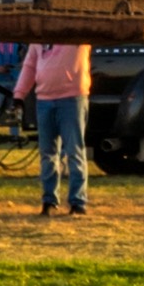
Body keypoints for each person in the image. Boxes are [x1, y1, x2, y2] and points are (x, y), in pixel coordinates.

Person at [16, 32, 89, 218]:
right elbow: (30, 66)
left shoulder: (76, 35)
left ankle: (78, 202)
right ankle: (49, 200)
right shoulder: (38, 38)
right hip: (44, 100)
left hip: (72, 98)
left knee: (74, 151)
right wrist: (19, 94)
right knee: (47, 153)